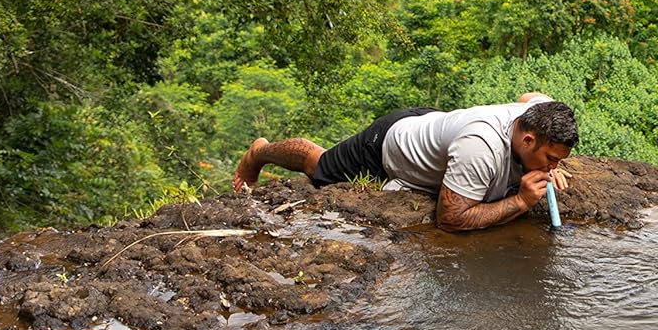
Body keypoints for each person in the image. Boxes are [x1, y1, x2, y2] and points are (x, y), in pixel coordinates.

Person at [231, 93, 578, 232]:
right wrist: (520, 200)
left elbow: (529, 96)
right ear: (528, 139)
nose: (551, 167)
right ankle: (259, 152)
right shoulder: (481, 148)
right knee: (318, 166)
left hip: (437, 126)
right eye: (549, 158)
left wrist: (550, 164)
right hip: (390, 144)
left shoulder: (538, 113)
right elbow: (451, 219)